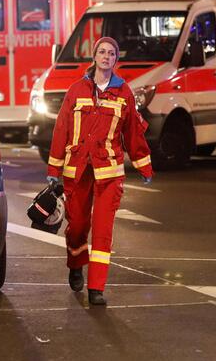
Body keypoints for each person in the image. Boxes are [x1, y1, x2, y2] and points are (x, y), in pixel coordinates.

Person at [46, 36, 153, 306]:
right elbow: (62, 129)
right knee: (78, 225)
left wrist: (144, 165)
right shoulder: (76, 90)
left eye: (111, 53)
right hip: (78, 170)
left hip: (109, 172)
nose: (106, 56)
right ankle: (75, 264)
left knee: (103, 230)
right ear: (94, 57)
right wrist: (53, 169)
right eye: (102, 52)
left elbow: (133, 133)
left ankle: (97, 287)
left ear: (116, 60)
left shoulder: (123, 92)